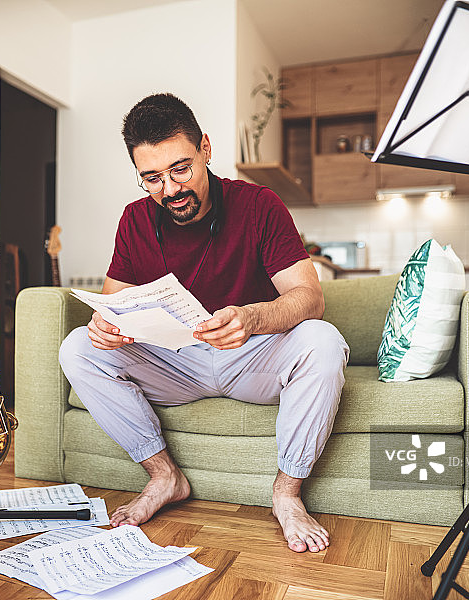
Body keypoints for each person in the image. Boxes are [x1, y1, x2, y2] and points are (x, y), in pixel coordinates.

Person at [59, 93, 349, 554]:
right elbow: (112, 305)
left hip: (249, 357)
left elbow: (310, 298)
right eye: (151, 178)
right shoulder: (135, 219)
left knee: (323, 340)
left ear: (206, 149)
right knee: (76, 346)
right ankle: (164, 477)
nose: (170, 189)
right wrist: (104, 326)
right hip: (176, 364)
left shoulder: (259, 204)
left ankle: (287, 493)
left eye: (181, 169)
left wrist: (253, 317)